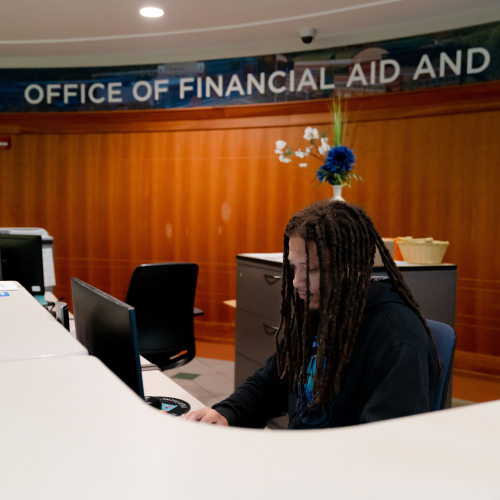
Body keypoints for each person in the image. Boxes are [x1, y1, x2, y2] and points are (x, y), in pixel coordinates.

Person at [181, 200, 440, 429]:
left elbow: (385, 449)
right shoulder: (321, 312)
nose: (296, 282)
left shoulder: (398, 340)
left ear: (352, 270)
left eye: (311, 269)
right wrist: (226, 413)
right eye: (294, 267)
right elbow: (273, 382)